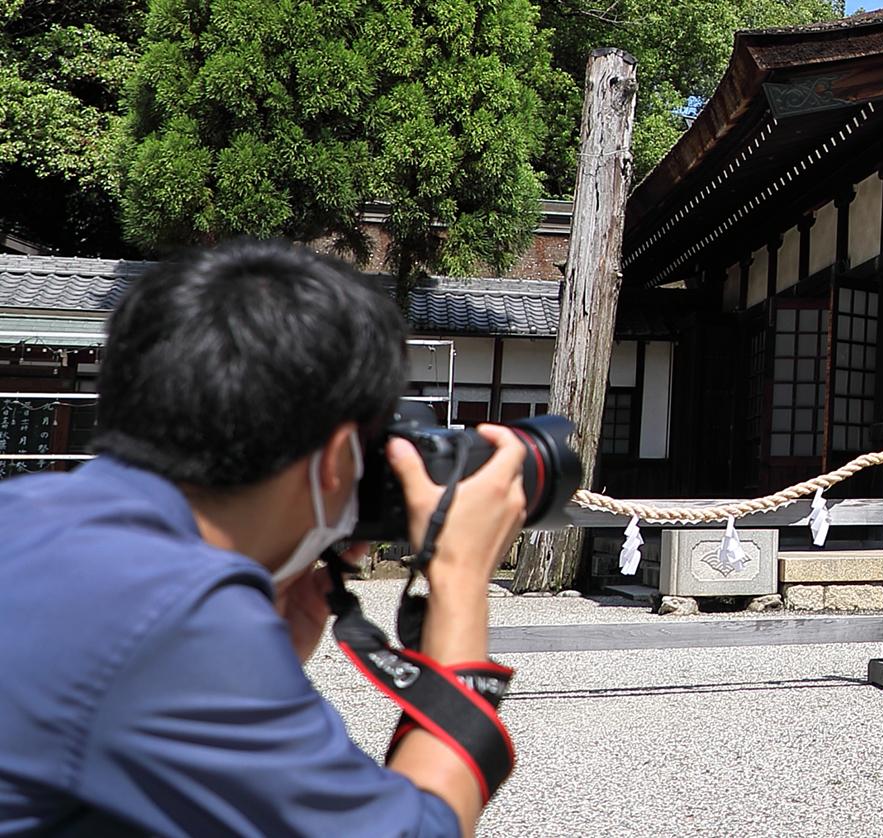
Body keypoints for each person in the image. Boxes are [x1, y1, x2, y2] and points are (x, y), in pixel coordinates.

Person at [0, 240, 532, 836]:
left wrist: (262, 651)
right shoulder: (177, 617)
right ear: (338, 458)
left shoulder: (24, 514)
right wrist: (459, 575)